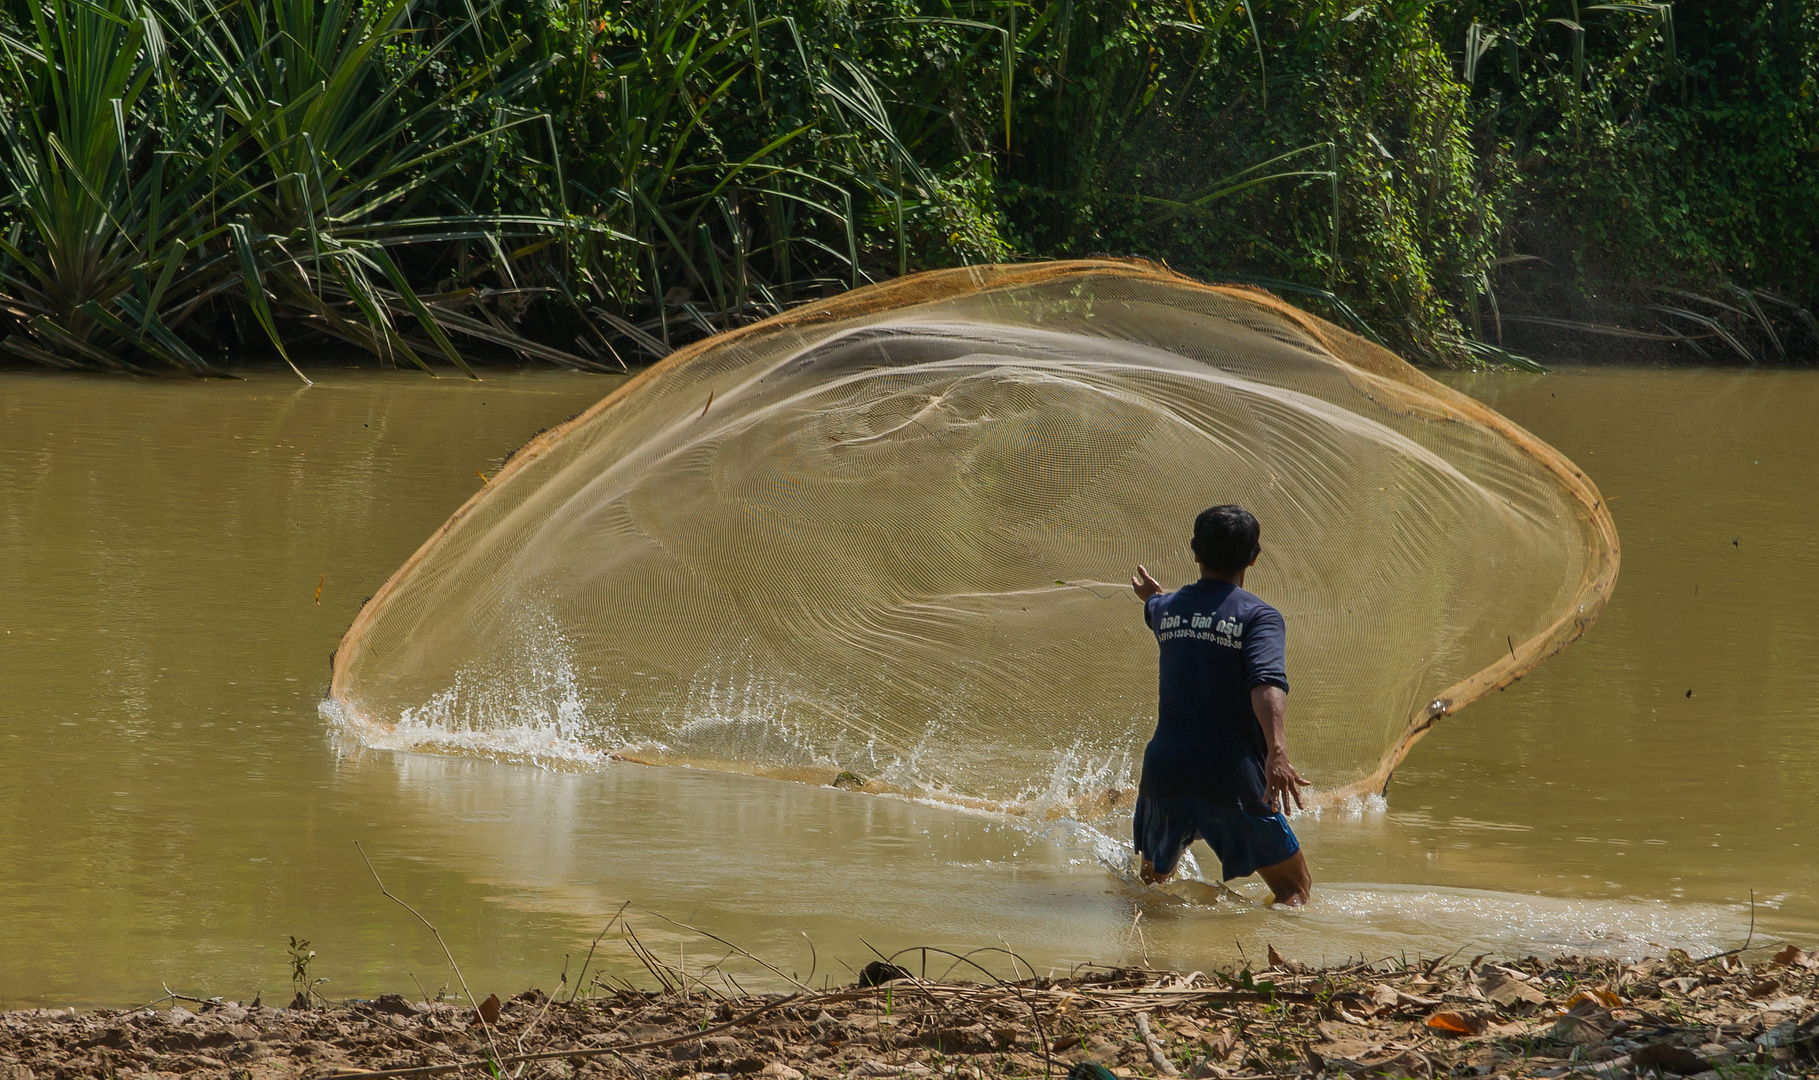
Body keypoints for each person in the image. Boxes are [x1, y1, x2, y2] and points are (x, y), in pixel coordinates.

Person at [1128, 504, 1313, 906]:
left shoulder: (1166, 610)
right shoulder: (1260, 618)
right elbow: (1266, 683)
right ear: (1254, 557)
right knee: (1293, 891)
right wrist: (1277, 752)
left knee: (1147, 893)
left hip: (1165, 773)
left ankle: (1143, 960)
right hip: (1230, 779)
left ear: (1195, 553)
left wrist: (1151, 596)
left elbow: (1155, 608)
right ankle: (1280, 965)